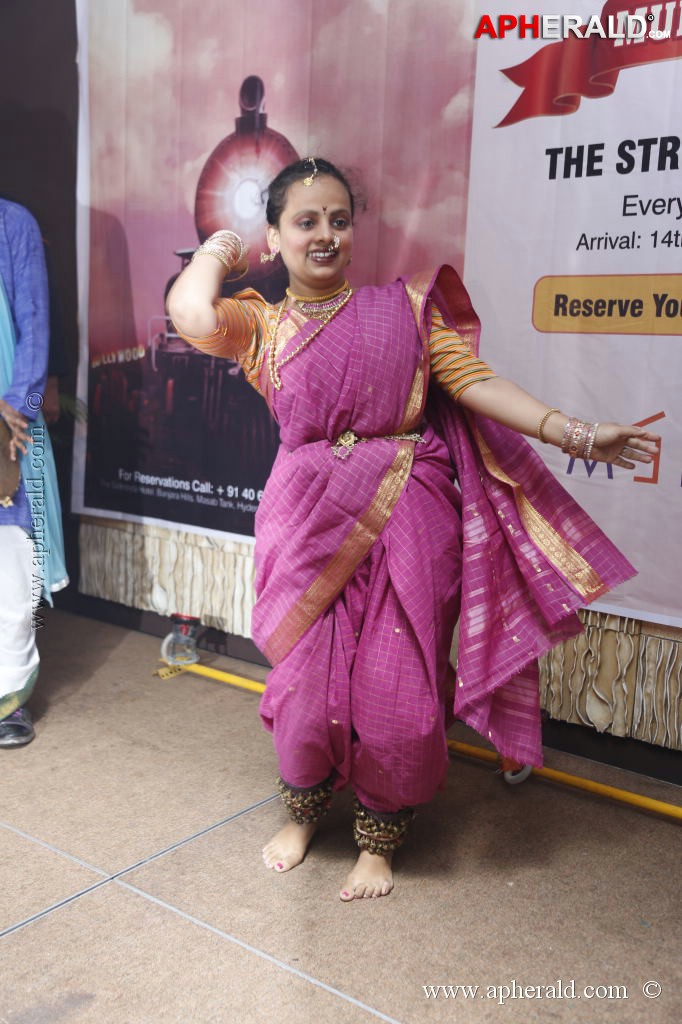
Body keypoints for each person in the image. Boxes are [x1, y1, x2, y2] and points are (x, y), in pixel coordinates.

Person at [167, 157, 658, 901]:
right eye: (305, 222)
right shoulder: (262, 325)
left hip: (407, 514)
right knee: (304, 686)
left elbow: (474, 382)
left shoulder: (405, 313)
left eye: (339, 220)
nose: (326, 235)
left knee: (400, 685)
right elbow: (194, 316)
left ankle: (379, 836)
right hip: (305, 524)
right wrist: (218, 253)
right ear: (276, 235)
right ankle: (302, 814)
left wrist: (577, 434)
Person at [0, 198, 68, 747]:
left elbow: (33, 321)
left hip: (6, 420)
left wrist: (15, 408)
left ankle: (8, 700)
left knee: (9, 566)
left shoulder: (12, 223)